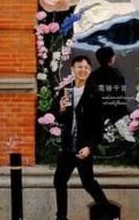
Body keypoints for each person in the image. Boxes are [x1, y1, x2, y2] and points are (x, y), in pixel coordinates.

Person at [53, 55, 108, 220]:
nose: (83, 70)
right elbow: (59, 118)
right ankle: (61, 217)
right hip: (67, 146)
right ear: (72, 69)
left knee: (88, 183)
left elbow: (99, 126)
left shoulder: (94, 93)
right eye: (79, 67)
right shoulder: (66, 91)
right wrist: (61, 110)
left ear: (90, 71)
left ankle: (108, 214)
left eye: (86, 67)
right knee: (59, 181)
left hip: (83, 146)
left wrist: (90, 147)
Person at [87, 46, 127, 123]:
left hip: (96, 114)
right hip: (114, 114)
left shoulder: (93, 75)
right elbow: (121, 97)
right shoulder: (117, 74)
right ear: (111, 58)